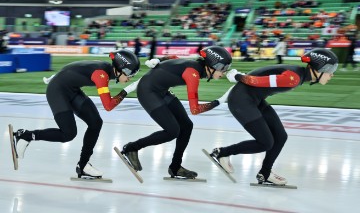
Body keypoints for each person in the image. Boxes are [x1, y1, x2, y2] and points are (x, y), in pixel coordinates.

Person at [208, 48, 338, 185]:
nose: (332, 75)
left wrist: (239, 76)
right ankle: (222, 153)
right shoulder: (293, 78)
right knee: (265, 142)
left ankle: (265, 173)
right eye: (330, 71)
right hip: (241, 100)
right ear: (319, 68)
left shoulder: (297, 74)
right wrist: (237, 76)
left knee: (280, 136)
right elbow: (255, 81)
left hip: (253, 98)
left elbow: (260, 78)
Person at [11, 49, 141, 178]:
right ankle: (25, 135)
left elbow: (80, 65)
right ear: (119, 67)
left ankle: (83, 165)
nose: (130, 78)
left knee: (95, 123)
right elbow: (108, 106)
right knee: (68, 133)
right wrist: (126, 91)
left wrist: (61, 74)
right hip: (57, 90)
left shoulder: (107, 69)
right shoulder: (102, 75)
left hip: (71, 90)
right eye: (129, 73)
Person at [120, 46, 233, 179]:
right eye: (223, 68)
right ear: (212, 65)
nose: (224, 72)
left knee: (186, 125)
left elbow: (174, 60)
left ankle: (175, 167)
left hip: (161, 90)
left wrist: (160, 60)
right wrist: (219, 101)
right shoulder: (193, 73)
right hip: (148, 91)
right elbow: (195, 109)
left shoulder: (197, 67)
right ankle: (131, 148)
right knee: (172, 131)